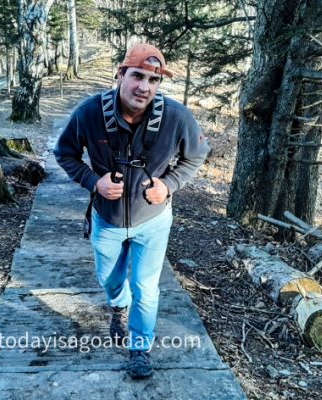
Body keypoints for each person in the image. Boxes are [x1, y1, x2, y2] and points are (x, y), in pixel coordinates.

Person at [54, 43, 210, 379]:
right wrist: (94, 182)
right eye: (137, 76)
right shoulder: (89, 113)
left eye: (153, 80)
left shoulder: (176, 117)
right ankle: (118, 306)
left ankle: (140, 348)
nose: (145, 87)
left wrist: (168, 185)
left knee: (147, 286)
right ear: (121, 74)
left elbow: (196, 155)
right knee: (109, 278)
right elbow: (64, 153)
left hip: (152, 220)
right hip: (107, 219)